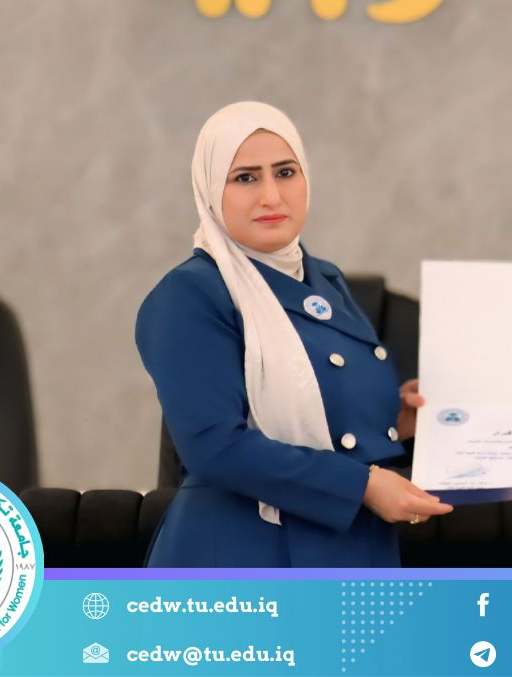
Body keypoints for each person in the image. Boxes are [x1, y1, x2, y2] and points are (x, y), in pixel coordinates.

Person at [137, 101, 450, 567]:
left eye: (285, 172)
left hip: (347, 552)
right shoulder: (190, 294)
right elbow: (214, 447)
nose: (271, 196)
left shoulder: (324, 279)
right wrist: (362, 486)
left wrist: (398, 420)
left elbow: (328, 420)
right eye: (245, 178)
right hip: (241, 560)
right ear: (210, 189)